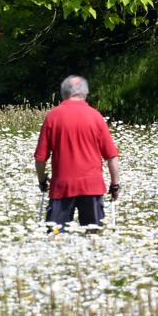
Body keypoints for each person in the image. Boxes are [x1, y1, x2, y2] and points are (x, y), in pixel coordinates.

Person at [35, 75, 124, 230]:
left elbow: (40, 158)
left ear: (63, 93)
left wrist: (42, 180)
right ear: (85, 93)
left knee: (55, 236)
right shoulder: (96, 117)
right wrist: (115, 185)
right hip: (92, 186)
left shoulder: (53, 117)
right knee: (93, 235)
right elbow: (111, 156)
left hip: (62, 187)